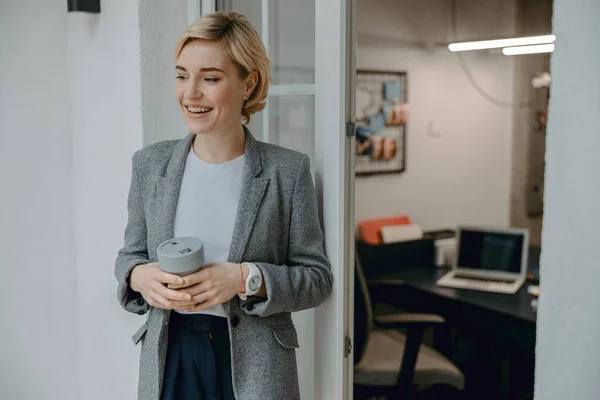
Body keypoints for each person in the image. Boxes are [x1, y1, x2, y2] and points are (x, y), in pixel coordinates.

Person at [114, 12, 333, 400]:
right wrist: (137, 277)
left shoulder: (288, 170)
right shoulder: (149, 165)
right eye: (182, 76)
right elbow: (130, 255)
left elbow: (316, 279)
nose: (190, 92)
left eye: (210, 78)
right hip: (171, 355)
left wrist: (244, 278)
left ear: (248, 84)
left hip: (257, 364)